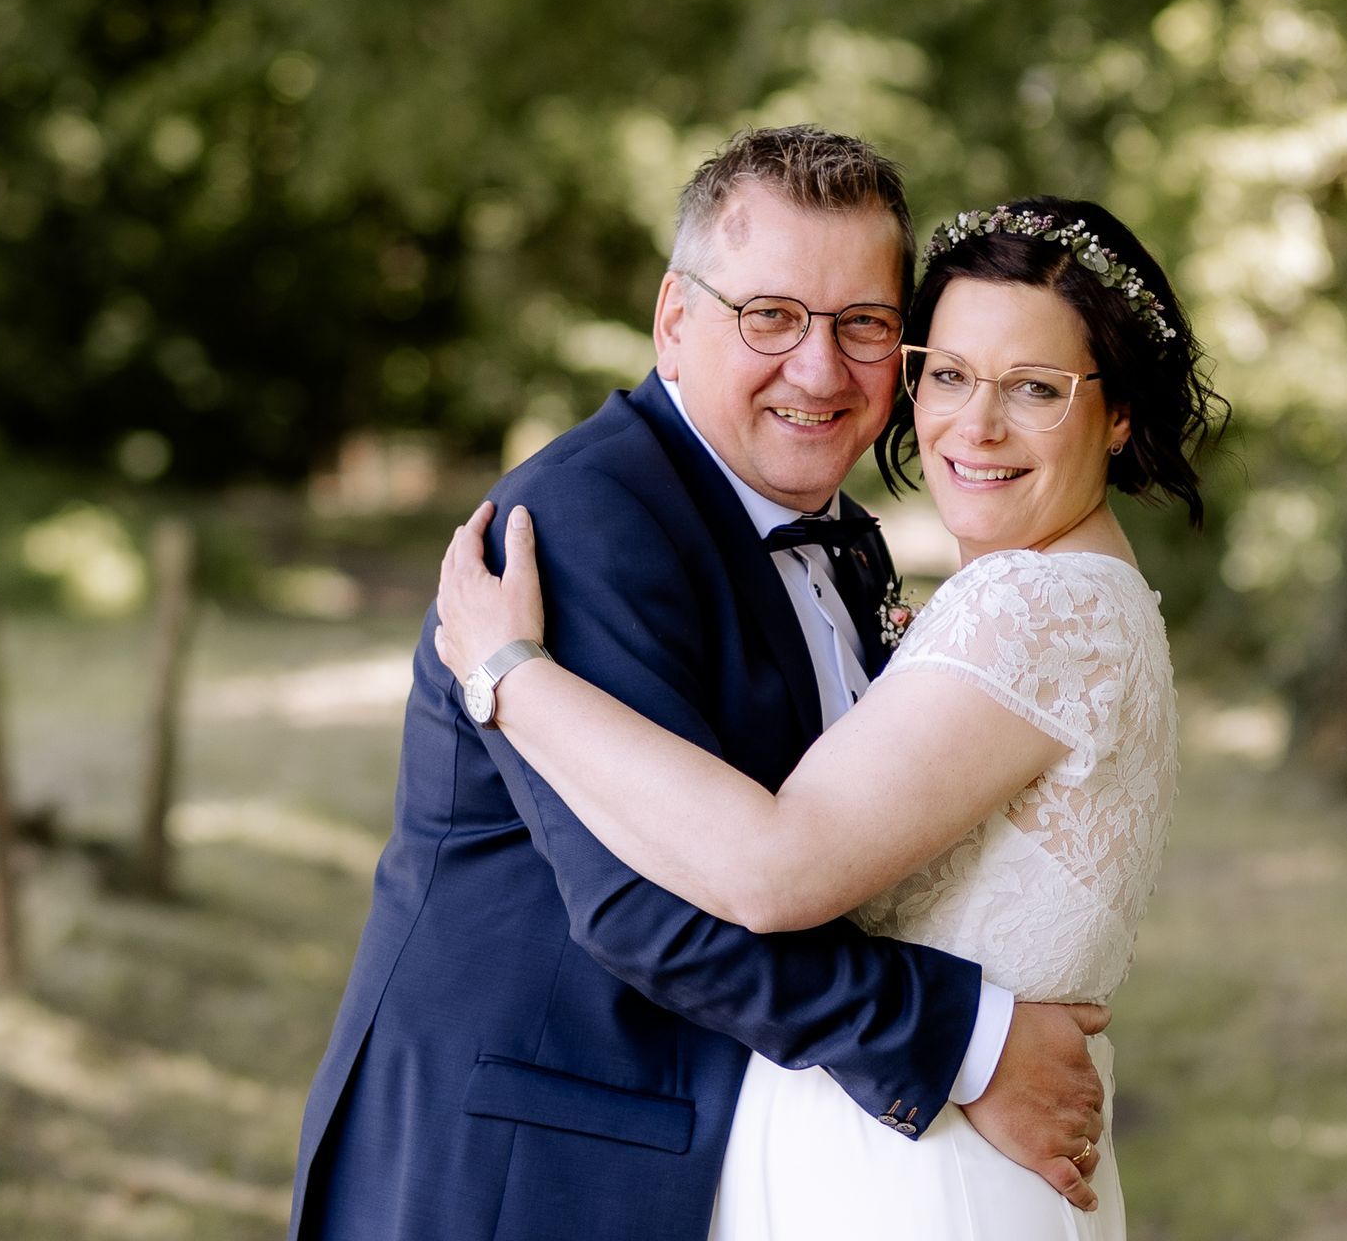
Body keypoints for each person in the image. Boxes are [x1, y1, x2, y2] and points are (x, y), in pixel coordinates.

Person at [288, 129, 1119, 1240]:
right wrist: (968, 1042)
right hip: (523, 1164)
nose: (819, 370)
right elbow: (648, 908)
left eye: (863, 325)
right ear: (674, 320)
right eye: (769, 316)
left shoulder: (847, 540)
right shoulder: (582, 522)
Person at [433, 194, 1224, 1238]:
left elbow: (775, 870)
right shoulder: (1063, 591)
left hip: (921, 1177)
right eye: (948, 374)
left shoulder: (1035, 607)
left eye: (1035, 388)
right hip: (902, 1151)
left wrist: (508, 673)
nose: (976, 425)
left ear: (1117, 413)